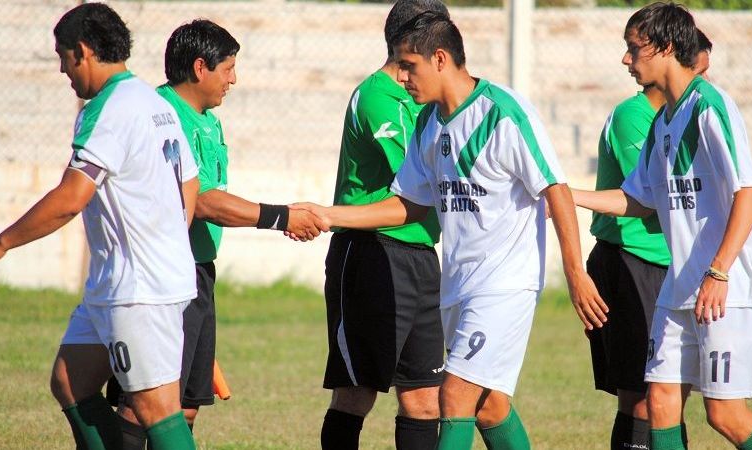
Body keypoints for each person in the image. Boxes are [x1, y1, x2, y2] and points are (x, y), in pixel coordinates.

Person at [291, 10, 606, 450]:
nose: (402, 77)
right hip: (458, 284)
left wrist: (575, 273)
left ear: (439, 59)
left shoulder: (502, 112)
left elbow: (555, 188)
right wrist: (330, 215)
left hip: (504, 284)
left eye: (409, 66)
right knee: (489, 407)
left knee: (454, 395)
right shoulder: (429, 122)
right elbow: (408, 203)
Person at [0, 3, 201, 449]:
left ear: (82, 51)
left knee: (157, 410)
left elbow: (71, 198)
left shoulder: (108, 108)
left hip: (138, 289)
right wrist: (168, 237)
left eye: (63, 57)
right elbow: (188, 181)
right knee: (71, 381)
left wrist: (1, 243)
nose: (63, 70)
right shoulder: (155, 103)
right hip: (119, 282)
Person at [105, 19, 326, 449]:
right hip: (163, 276)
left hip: (199, 272)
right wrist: (281, 217)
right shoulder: (163, 114)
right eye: (228, 69)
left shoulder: (208, 121)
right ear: (200, 67)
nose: (234, 79)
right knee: (145, 402)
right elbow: (203, 201)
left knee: (187, 404)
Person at [573, 3, 752, 449]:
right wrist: (565, 196)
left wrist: (718, 271)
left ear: (665, 47)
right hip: (679, 287)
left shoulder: (709, 106)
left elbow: (748, 192)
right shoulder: (662, 122)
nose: (626, 59)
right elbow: (637, 200)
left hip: (724, 287)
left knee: (724, 414)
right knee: (658, 402)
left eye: (633, 48)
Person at [317, 2, 449, 449]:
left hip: (420, 255)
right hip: (372, 254)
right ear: (410, 39)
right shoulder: (377, 97)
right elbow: (418, 185)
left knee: (425, 400)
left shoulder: (429, 101)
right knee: (357, 392)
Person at [585, 26, 712, 450]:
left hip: (675, 267)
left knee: (670, 397)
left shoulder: (695, 114)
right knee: (644, 398)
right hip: (632, 262)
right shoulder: (634, 117)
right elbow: (654, 197)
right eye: (700, 71)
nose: (704, 82)